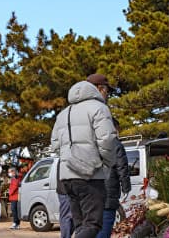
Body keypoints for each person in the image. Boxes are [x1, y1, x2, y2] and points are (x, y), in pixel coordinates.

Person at [51, 74, 117, 238]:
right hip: (91, 175)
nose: (108, 94)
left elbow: (55, 144)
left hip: (67, 177)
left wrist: (70, 159)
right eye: (107, 90)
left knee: (80, 224)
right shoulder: (98, 108)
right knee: (93, 223)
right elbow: (107, 139)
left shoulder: (63, 113)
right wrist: (106, 163)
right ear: (100, 89)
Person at [96, 118, 131, 238]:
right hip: (108, 193)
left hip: (92, 194)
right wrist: (126, 188)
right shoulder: (116, 144)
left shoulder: (94, 143)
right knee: (105, 228)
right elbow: (122, 168)